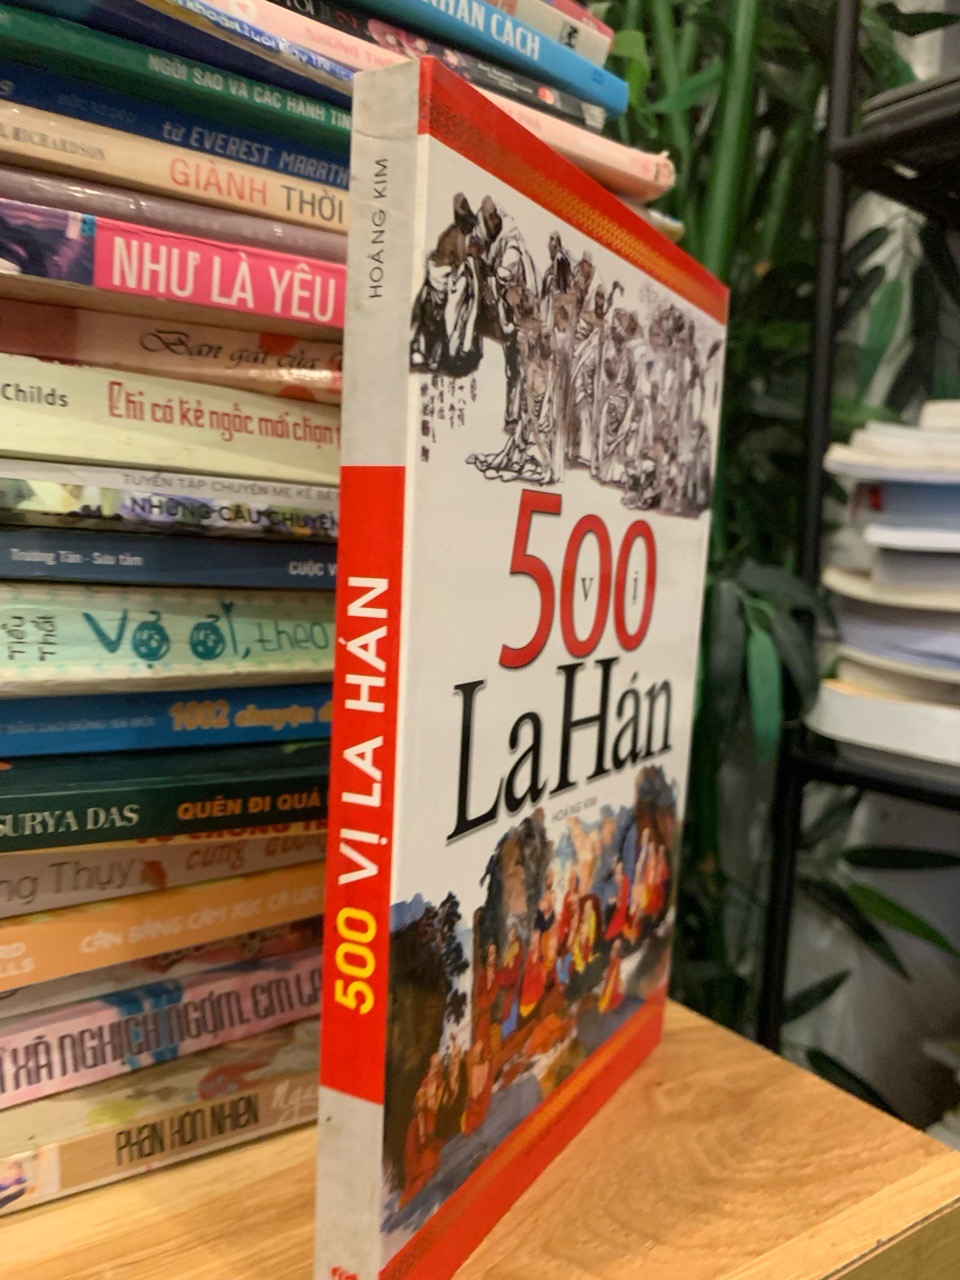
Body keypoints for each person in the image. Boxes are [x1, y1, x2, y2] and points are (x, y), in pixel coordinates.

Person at [399, 1085, 442, 1207]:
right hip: (417, 1167)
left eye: (424, 1096)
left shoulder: (430, 1115)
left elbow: (435, 1140)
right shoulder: (413, 1126)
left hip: (429, 1162)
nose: (424, 1099)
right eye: (421, 1097)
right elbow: (410, 1155)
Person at [435, 1041, 468, 1143]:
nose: (453, 1062)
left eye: (456, 1058)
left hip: (455, 1134)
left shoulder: (462, 1083)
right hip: (442, 1134)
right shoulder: (446, 1084)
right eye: (452, 1059)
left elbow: (460, 1106)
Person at [461, 1039, 493, 1136]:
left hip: (478, 1105)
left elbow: (474, 1094)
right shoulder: (486, 1064)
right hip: (483, 1103)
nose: (474, 1056)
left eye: (476, 1053)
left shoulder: (475, 1069)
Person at [497, 924, 523, 1038]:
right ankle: (508, 1036)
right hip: (509, 987)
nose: (510, 935)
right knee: (507, 1011)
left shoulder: (516, 948)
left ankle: (509, 1036)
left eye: (512, 933)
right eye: (509, 933)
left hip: (513, 987)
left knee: (510, 1011)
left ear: (515, 934)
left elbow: (512, 970)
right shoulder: (511, 949)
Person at [474, 941, 499, 1055]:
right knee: (482, 1036)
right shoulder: (482, 975)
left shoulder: (497, 973)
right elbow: (481, 1000)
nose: (492, 956)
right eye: (490, 953)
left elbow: (494, 996)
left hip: (493, 1014)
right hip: (483, 1014)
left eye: (494, 953)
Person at [518, 928, 545, 1017]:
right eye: (533, 942)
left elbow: (540, 986)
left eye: (537, 942)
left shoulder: (538, 956)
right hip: (524, 1004)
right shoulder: (525, 958)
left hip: (533, 1002)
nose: (535, 945)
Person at [604, 859, 630, 940]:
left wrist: (616, 899)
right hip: (612, 907)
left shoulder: (625, 879)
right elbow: (609, 898)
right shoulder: (610, 880)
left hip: (621, 907)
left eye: (620, 867)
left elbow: (624, 896)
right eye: (617, 867)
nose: (619, 869)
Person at [598, 939, 625, 1014]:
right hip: (607, 1000)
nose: (611, 952)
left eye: (615, 948)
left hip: (612, 999)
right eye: (613, 948)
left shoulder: (618, 963)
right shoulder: (612, 962)